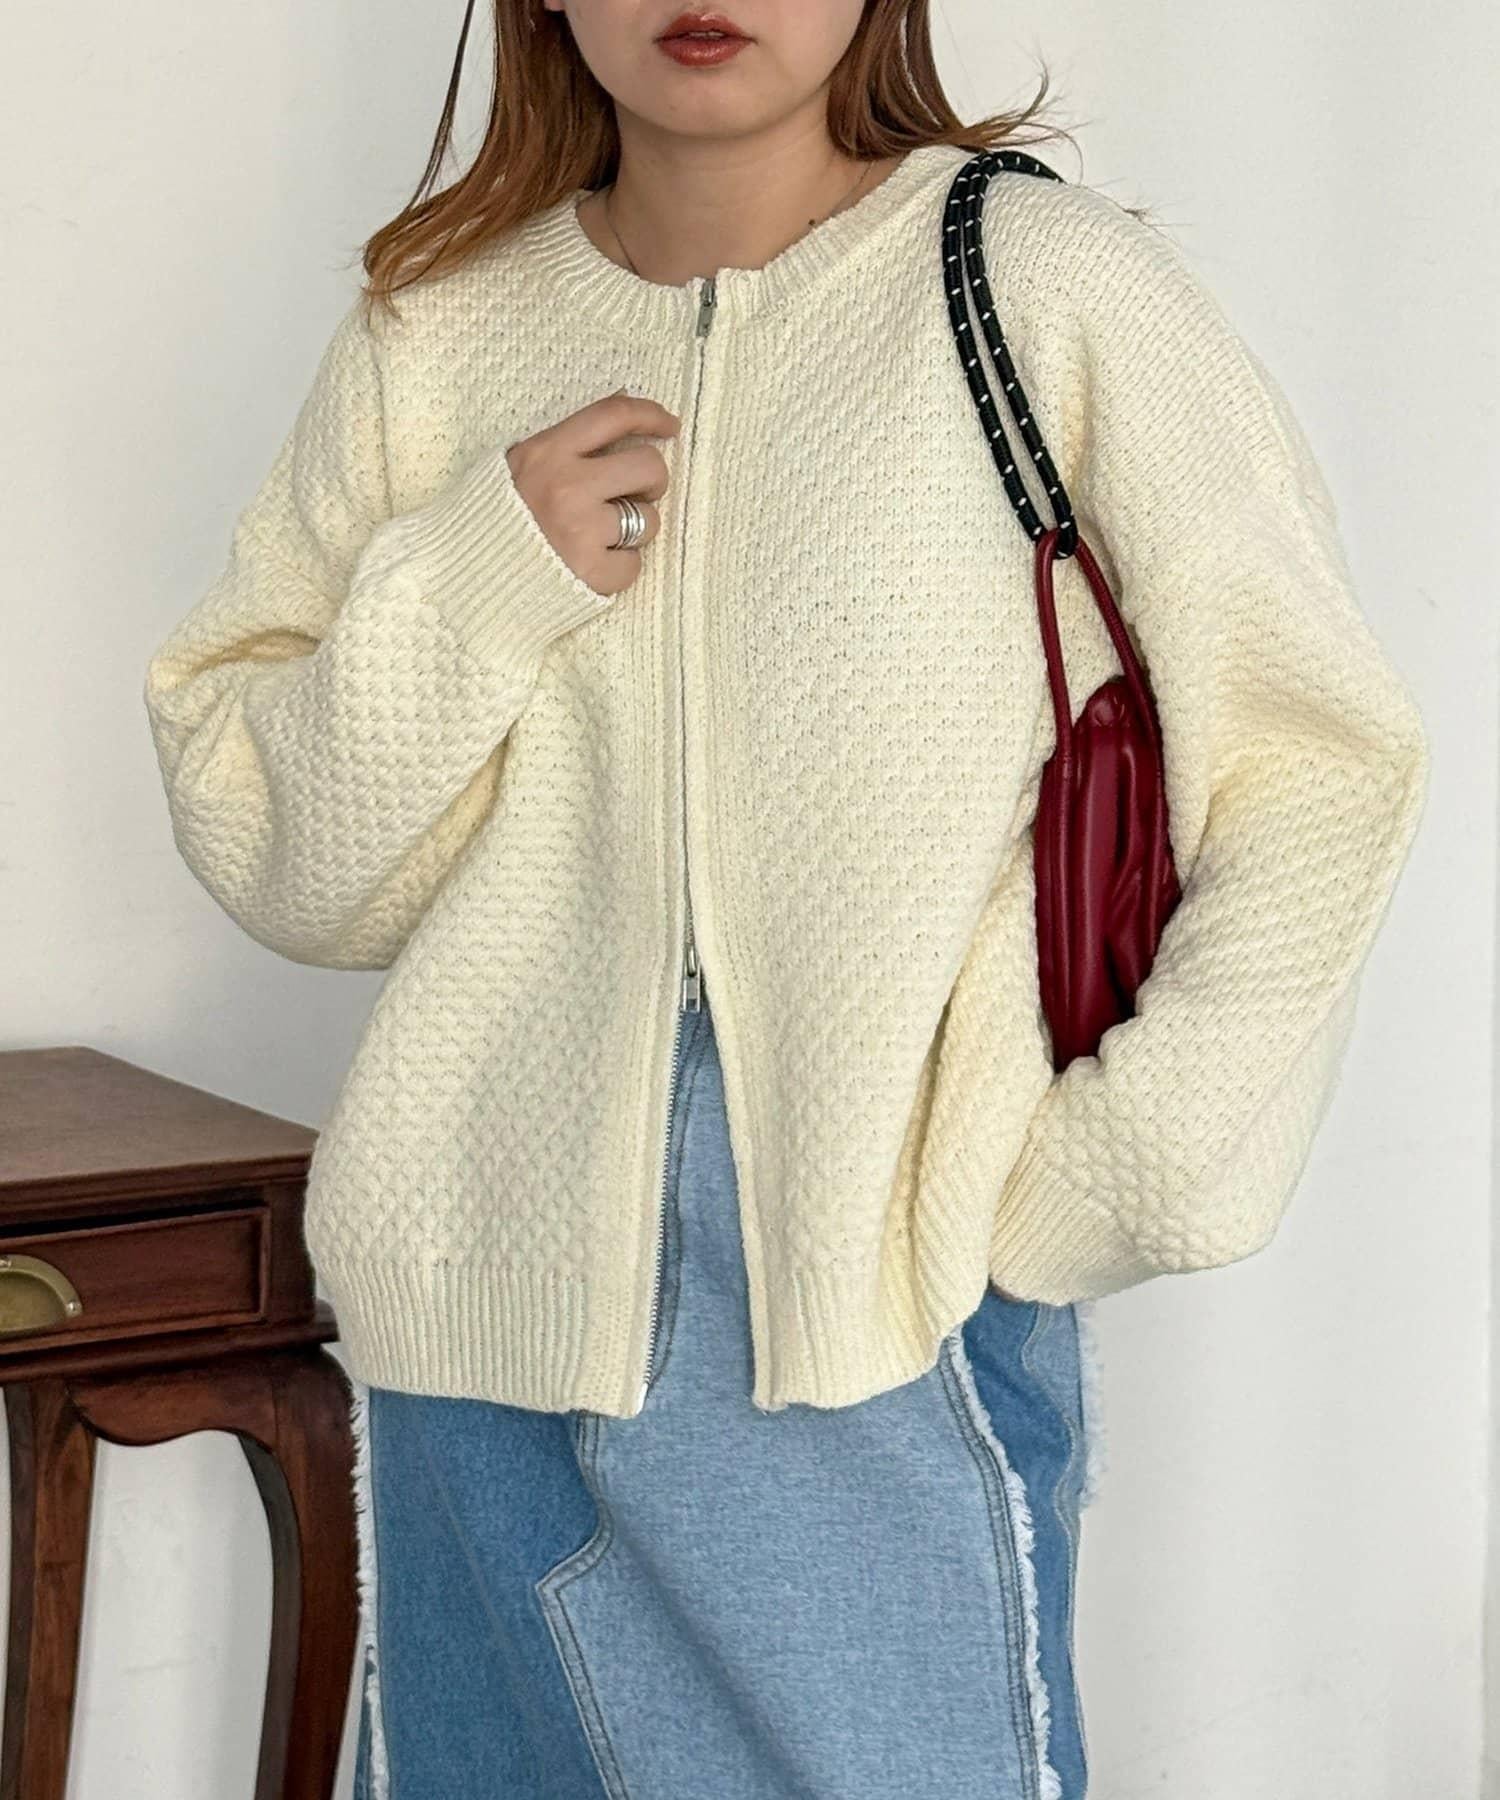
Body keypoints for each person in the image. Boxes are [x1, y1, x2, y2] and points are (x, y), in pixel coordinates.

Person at [140, 2, 1430, 1795]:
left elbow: (1317, 768)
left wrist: (1121, 1169)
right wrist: (483, 575)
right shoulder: (434, 334)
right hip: (476, 1315)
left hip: (868, 1315)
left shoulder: (1043, 285)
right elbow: (286, 861)